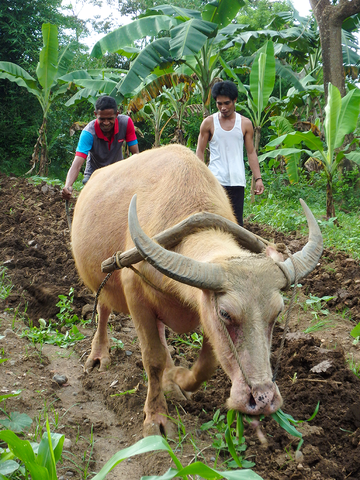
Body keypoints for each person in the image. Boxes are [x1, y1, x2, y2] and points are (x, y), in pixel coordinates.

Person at [196, 81, 264, 226]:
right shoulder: (208, 123)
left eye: (227, 103)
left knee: (236, 223)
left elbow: (251, 152)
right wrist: (200, 177)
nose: (223, 107)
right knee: (214, 222)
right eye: (219, 104)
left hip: (237, 181)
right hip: (215, 180)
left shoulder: (245, 124)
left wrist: (258, 178)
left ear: (235, 101)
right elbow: (200, 152)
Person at [61, 96, 139, 199]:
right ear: (95, 114)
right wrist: (68, 185)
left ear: (116, 115)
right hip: (94, 175)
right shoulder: (88, 133)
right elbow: (77, 164)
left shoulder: (126, 123)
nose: (106, 123)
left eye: (110, 119)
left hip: (117, 171)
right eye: (102, 119)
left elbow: (136, 156)